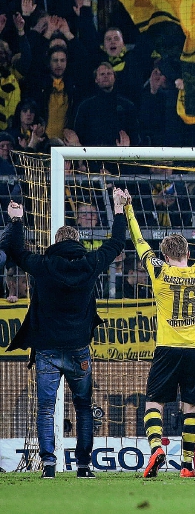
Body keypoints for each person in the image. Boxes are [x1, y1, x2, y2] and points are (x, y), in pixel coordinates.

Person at [1, 190, 128, 479]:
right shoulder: (90, 263)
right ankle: (83, 467)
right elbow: (117, 242)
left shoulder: (44, 265)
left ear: (56, 243)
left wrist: (17, 220)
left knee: (46, 409)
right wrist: (119, 209)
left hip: (47, 349)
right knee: (83, 408)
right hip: (78, 349)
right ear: (78, 242)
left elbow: (17, 251)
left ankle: (48, 465)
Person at [135, 188, 195, 479]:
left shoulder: (159, 271)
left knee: (154, 402)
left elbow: (140, 243)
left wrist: (128, 210)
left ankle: (156, 447)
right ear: (188, 253)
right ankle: (187, 466)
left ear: (165, 255)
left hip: (167, 347)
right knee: (191, 406)